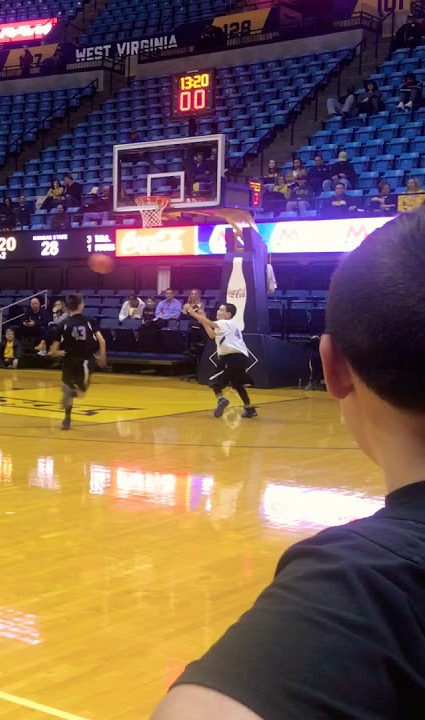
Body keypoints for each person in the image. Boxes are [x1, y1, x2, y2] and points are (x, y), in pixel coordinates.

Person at [153, 211, 425, 719]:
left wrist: (199, 316)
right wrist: (195, 317)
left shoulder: (367, 586)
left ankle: (241, 403)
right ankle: (242, 404)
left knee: (224, 384)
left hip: (236, 359)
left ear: (332, 368)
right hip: (230, 360)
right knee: (224, 387)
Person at [187, 302, 258, 419]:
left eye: (221, 310)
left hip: (232, 357)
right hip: (239, 357)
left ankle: (221, 399)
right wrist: (203, 318)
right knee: (237, 384)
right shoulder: (230, 325)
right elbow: (211, 335)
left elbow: (210, 323)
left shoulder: (225, 322)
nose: (217, 312)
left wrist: (192, 312)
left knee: (213, 380)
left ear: (228, 314)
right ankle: (249, 408)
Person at [47, 294, 106, 430]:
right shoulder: (89, 321)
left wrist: (62, 352)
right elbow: (102, 341)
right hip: (85, 360)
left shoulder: (63, 324)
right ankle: (71, 392)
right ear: (81, 304)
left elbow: (53, 351)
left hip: (68, 360)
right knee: (80, 392)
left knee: (69, 386)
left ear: (67, 307)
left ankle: (66, 420)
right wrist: (102, 357)